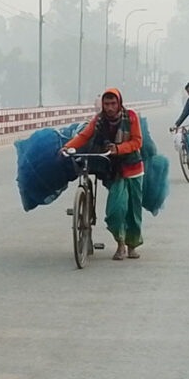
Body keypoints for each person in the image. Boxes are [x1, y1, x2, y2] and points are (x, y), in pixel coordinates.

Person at [61, 88, 145, 261]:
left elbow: (137, 141)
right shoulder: (99, 120)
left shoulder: (130, 117)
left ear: (119, 103)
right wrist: (67, 147)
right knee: (116, 210)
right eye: (106, 104)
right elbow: (84, 136)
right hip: (114, 170)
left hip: (134, 168)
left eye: (113, 103)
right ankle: (120, 243)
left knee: (133, 211)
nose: (109, 107)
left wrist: (119, 148)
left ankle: (132, 245)